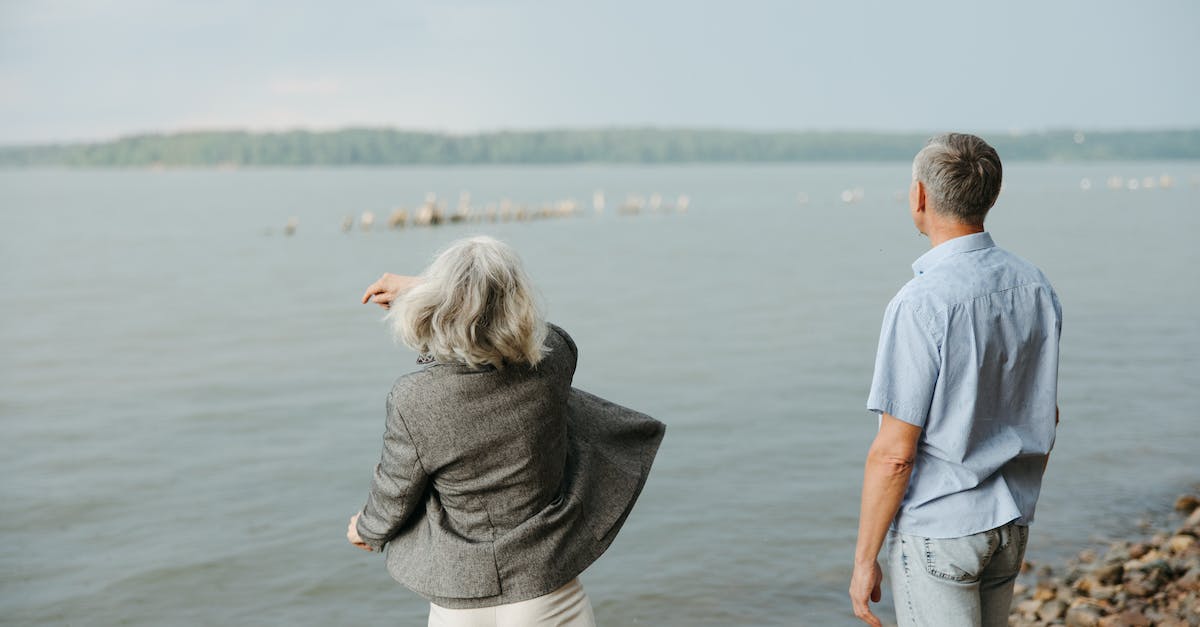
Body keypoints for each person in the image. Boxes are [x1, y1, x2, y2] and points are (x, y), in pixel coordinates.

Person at [346, 236, 665, 627]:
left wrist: (366, 529)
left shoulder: (414, 399)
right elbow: (540, 333)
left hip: (460, 601)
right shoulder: (555, 361)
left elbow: (395, 489)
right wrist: (458, 291)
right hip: (547, 590)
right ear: (518, 301)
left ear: (440, 305)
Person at [849, 134, 1062, 627]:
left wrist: (865, 560)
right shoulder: (1034, 284)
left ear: (919, 196)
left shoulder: (919, 303)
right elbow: (1046, 415)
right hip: (1010, 522)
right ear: (993, 195)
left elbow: (895, 453)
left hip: (941, 532)